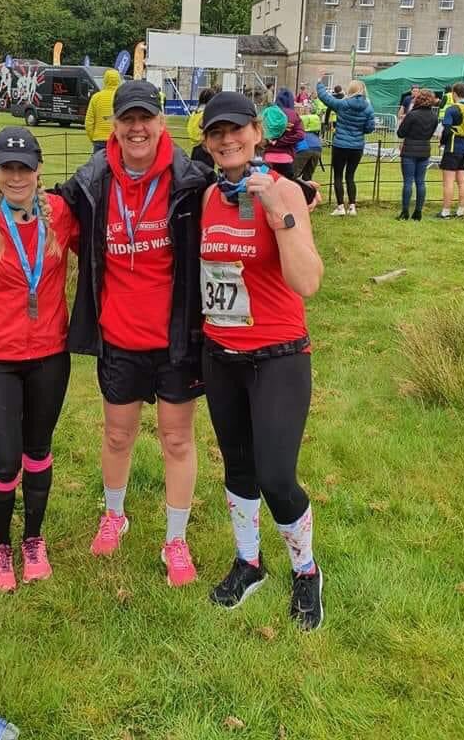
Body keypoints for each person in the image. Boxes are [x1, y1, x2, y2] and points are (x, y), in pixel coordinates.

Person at [58, 80, 213, 587]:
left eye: (146, 118)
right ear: (114, 125)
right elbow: (49, 204)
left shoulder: (191, 180)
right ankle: (114, 515)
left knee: (177, 439)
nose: (137, 128)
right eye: (128, 119)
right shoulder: (93, 180)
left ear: (161, 123)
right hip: (119, 336)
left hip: (175, 340)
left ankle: (176, 540)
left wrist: (292, 190)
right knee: (117, 434)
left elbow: (238, 192)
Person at [198, 91, 324, 629]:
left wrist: (279, 214)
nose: (227, 140)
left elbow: (307, 281)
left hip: (277, 356)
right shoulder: (209, 196)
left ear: (256, 133)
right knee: (238, 467)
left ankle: (306, 570)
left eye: (236, 130)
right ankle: (249, 563)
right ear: (206, 143)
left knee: (276, 475)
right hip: (221, 355)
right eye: (216, 132)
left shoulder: (285, 190)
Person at [0, 126, 79, 592]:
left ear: (39, 169)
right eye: (7, 167)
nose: (17, 176)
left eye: (25, 167)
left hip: (49, 356)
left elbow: (102, 239)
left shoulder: (60, 214)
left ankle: (33, 540)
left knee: (38, 452)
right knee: (5, 463)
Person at [316, 72, 376, 216]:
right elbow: (369, 128)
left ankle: (340, 207)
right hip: (357, 146)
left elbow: (325, 98)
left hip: (340, 145)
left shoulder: (342, 104)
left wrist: (319, 82)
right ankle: (352, 207)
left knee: (338, 175)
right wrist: (359, 129)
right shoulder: (368, 108)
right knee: (350, 176)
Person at [396, 88, 438, 220]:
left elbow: (400, 133)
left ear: (418, 99)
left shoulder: (412, 115)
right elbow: (431, 133)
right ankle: (418, 212)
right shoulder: (434, 116)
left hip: (409, 149)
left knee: (408, 181)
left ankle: (405, 212)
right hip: (424, 149)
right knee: (420, 181)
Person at [437, 82, 464, 219]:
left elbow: (447, 130)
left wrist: (442, 143)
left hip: (453, 147)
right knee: (463, 181)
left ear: (454, 93)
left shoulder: (452, 109)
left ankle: (446, 211)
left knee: (448, 181)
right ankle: (461, 210)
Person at [85, 69, 122, 153]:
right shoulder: (122, 97)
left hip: (99, 139)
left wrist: (93, 137)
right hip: (117, 139)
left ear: (105, 80)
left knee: (98, 161)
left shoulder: (96, 97)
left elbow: (89, 122)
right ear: (118, 80)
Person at [187, 87, 216, 168]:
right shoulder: (206, 112)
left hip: (195, 149)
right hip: (204, 149)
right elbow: (202, 125)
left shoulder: (195, 112)